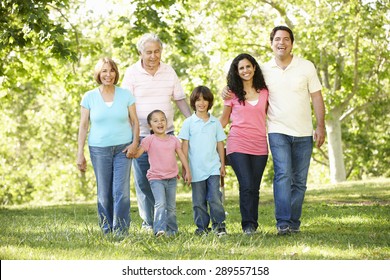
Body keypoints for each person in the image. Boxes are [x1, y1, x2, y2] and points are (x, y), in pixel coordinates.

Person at [222, 26, 326, 235]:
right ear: (271, 43)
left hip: (304, 131)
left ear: (292, 43)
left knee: (300, 181)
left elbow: (316, 96)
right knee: (282, 175)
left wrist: (320, 125)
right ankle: (283, 223)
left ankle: (293, 222)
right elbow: (241, 77)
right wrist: (225, 89)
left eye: (286, 39)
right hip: (277, 130)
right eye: (277, 39)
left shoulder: (306, 67)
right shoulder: (265, 69)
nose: (282, 42)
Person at [122, 33, 191, 232]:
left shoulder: (169, 71)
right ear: (141, 53)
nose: (153, 56)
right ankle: (148, 222)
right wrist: (133, 137)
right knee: (144, 180)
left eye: (157, 51)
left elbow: (179, 99)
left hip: (165, 136)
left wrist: (192, 121)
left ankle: (166, 223)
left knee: (165, 178)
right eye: (149, 52)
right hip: (141, 135)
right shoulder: (132, 73)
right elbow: (127, 105)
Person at [77, 57, 140, 237]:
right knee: (104, 192)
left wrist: (135, 143)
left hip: (123, 148)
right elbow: (83, 126)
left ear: (116, 73)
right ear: (98, 74)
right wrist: (79, 153)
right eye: (104, 71)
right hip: (99, 149)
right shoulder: (89, 97)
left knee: (121, 191)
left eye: (111, 70)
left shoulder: (126, 94)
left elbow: (135, 121)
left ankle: (120, 231)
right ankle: (106, 230)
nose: (108, 75)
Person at [220, 53, 269, 235]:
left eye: (248, 66)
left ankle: (252, 225)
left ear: (254, 68)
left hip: (260, 145)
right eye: (241, 68)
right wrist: (203, 131)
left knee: (254, 187)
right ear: (237, 72)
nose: (245, 70)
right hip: (237, 143)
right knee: (246, 184)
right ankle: (247, 226)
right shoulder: (231, 93)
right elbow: (223, 120)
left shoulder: (264, 92)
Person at [129, 110, 191, 237]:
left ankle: (172, 231)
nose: (160, 122)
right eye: (155, 120)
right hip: (156, 178)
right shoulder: (149, 140)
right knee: (160, 203)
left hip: (172, 178)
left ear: (167, 123)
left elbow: (182, 156)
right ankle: (159, 229)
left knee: (171, 206)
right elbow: (137, 154)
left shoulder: (173, 140)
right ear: (150, 126)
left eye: (162, 119)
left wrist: (187, 171)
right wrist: (131, 148)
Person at [178, 86, 227, 237]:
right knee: (198, 202)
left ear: (209, 102)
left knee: (214, 198)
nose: (202, 103)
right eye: (198, 99)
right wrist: (185, 168)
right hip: (195, 169)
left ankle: (219, 226)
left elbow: (220, 144)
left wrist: (223, 166)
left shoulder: (215, 123)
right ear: (193, 102)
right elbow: (184, 146)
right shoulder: (188, 123)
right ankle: (202, 228)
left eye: (205, 99)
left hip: (213, 167)